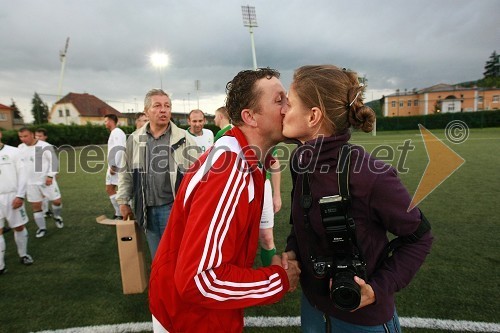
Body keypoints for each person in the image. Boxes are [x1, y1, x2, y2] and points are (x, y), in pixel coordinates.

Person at [281, 65, 433, 332]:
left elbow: (419, 237)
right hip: (313, 308)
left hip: (362, 321)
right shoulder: (300, 161)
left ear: (313, 116)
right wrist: (293, 251)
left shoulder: (371, 175)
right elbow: (301, 221)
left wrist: (376, 290)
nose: (282, 110)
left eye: (289, 104)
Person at [149, 68, 301, 333]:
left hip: (198, 314)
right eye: (280, 101)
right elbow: (200, 280)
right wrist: (278, 280)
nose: (289, 108)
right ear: (250, 116)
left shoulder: (243, 155)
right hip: (191, 319)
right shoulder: (231, 168)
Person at [116, 89, 199, 258]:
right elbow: (126, 174)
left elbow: (198, 176)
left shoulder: (184, 138)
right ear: (146, 111)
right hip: (145, 210)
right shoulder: (134, 139)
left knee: (179, 258)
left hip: (173, 209)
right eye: (158, 106)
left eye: (167, 106)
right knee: (158, 258)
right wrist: (123, 201)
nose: (163, 110)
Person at [213, 106, 282, 267]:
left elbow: (275, 163)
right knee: (238, 239)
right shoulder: (222, 135)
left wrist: (276, 194)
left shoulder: (267, 133)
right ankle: (238, 282)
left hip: (263, 187)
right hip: (238, 188)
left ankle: (272, 279)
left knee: (266, 236)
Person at [18, 127, 64, 238]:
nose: (23, 139)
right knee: (36, 206)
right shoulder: (20, 148)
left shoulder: (44, 146)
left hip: (46, 181)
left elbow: (54, 162)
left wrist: (50, 176)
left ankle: (57, 217)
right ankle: (42, 228)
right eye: (20, 137)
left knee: (57, 201)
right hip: (31, 183)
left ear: (32, 135)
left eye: (25, 136)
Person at [0, 130, 34, 274]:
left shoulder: (13, 152)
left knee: (18, 227)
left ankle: (23, 254)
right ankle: (0, 265)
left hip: (12, 196)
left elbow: (23, 175)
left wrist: (20, 196)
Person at [104, 114, 127, 220]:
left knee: (117, 189)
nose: (105, 123)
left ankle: (122, 213)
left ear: (110, 121)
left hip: (117, 166)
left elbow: (120, 149)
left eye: (105, 121)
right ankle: (119, 213)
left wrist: (114, 166)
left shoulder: (117, 132)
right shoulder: (114, 132)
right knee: (110, 189)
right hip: (114, 166)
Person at [35, 128, 53, 219]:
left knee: (46, 194)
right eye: (36, 136)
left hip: (45, 175)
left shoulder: (47, 146)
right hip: (35, 176)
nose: (37, 138)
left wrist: (51, 175)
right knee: (40, 195)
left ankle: (45, 210)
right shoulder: (31, 147)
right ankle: (44, 210)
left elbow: (53, 161)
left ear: (45, 137)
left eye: (40, 136)